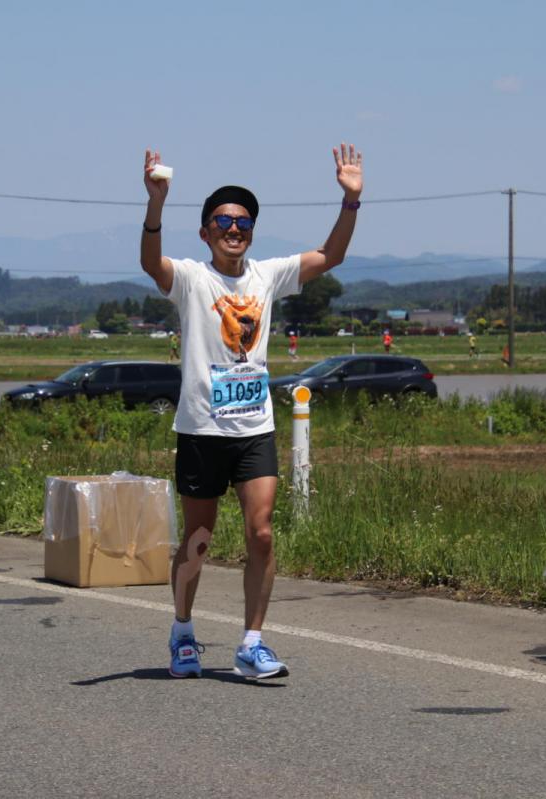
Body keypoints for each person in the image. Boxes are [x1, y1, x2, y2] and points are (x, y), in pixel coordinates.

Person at [140, 142, 363, 679]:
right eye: (222, 220)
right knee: (199, 541)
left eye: (242, 221)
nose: (233, 228)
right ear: (205, 231)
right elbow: (151, 263)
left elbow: (329, 257)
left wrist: (351, 201)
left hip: (253, 429)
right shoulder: (193, 279)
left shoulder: (268, 276)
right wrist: (155, 204)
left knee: (261, 533)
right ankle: (183, 631)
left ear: (251, 232)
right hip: (200, 429)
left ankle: (252, 642)